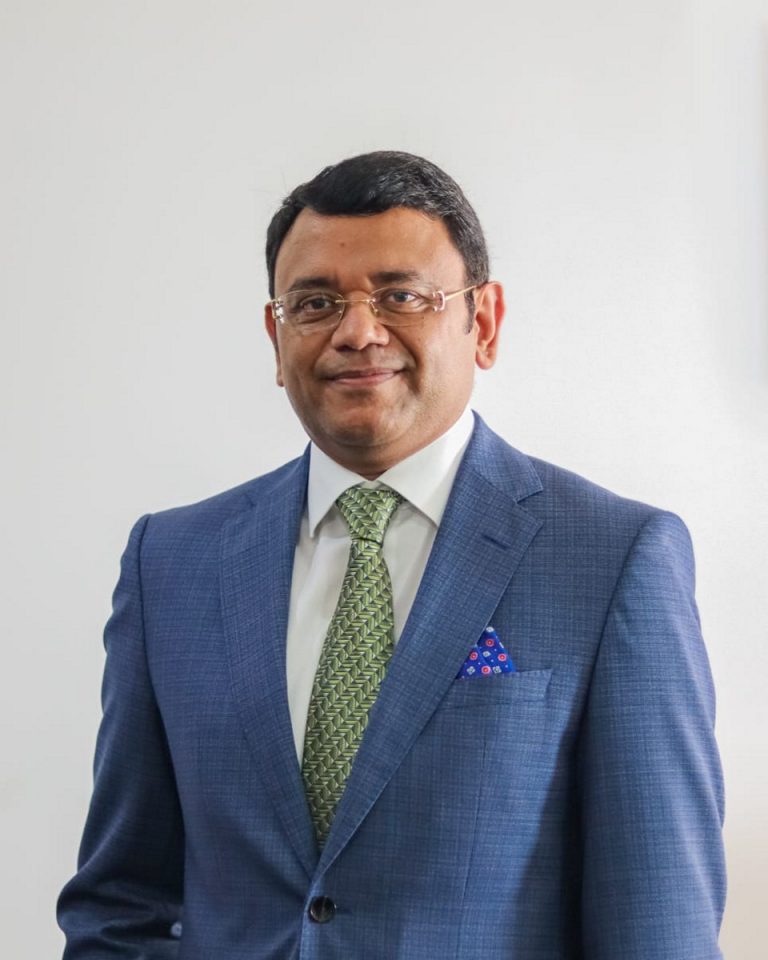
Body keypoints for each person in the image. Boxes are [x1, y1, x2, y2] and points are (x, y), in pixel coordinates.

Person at [58, 151, 726, 959]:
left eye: (402, 296)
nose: (357, 331)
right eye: (315, 303)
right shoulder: (171, 563)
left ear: (484, 323)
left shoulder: (614, 558)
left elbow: (658, 927)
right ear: (277, 337)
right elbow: (123, 903)